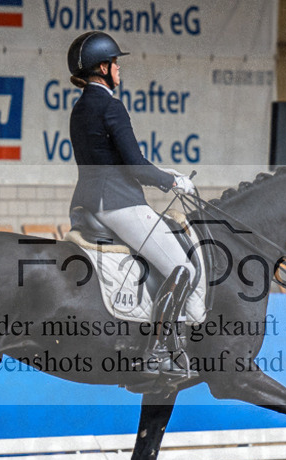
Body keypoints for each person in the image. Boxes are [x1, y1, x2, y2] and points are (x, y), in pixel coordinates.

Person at [66, 31, 198, 378]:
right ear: (104, 67)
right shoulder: (110, 106)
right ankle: (157, 352)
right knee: (182, 269)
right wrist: (171, 181)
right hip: (117, 202)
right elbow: (134, 165)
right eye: (116, 63)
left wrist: (160, 172)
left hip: (86, 201)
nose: (120, 70)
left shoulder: (80, 108)